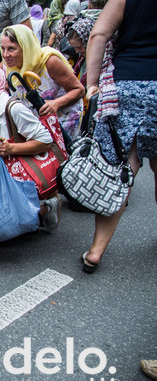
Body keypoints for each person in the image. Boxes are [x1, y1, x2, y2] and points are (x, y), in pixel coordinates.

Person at [81, 0, 157, 273]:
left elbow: (98, 35)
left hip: (129, 83)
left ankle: (96, 250)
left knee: (120, 170)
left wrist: (92, 84)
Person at [0, 59, 61, 233]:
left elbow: (46, 140)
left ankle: (46, 207)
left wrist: (11, 148)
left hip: (17, 173)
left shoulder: (12, 107)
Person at [1, 24, 84, 140]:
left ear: (26, 47)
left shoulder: (50, 62)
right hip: (38, 128)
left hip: (63, 123)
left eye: (11, 49)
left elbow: (79, 90)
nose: (5, 55)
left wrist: (56, 104)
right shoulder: (8, 68)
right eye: (3, 49)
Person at [66, 17, 95, 87]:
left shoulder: (100, 63)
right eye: (75, 48)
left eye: (79, 47)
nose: (76, 51)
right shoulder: (83, 59)